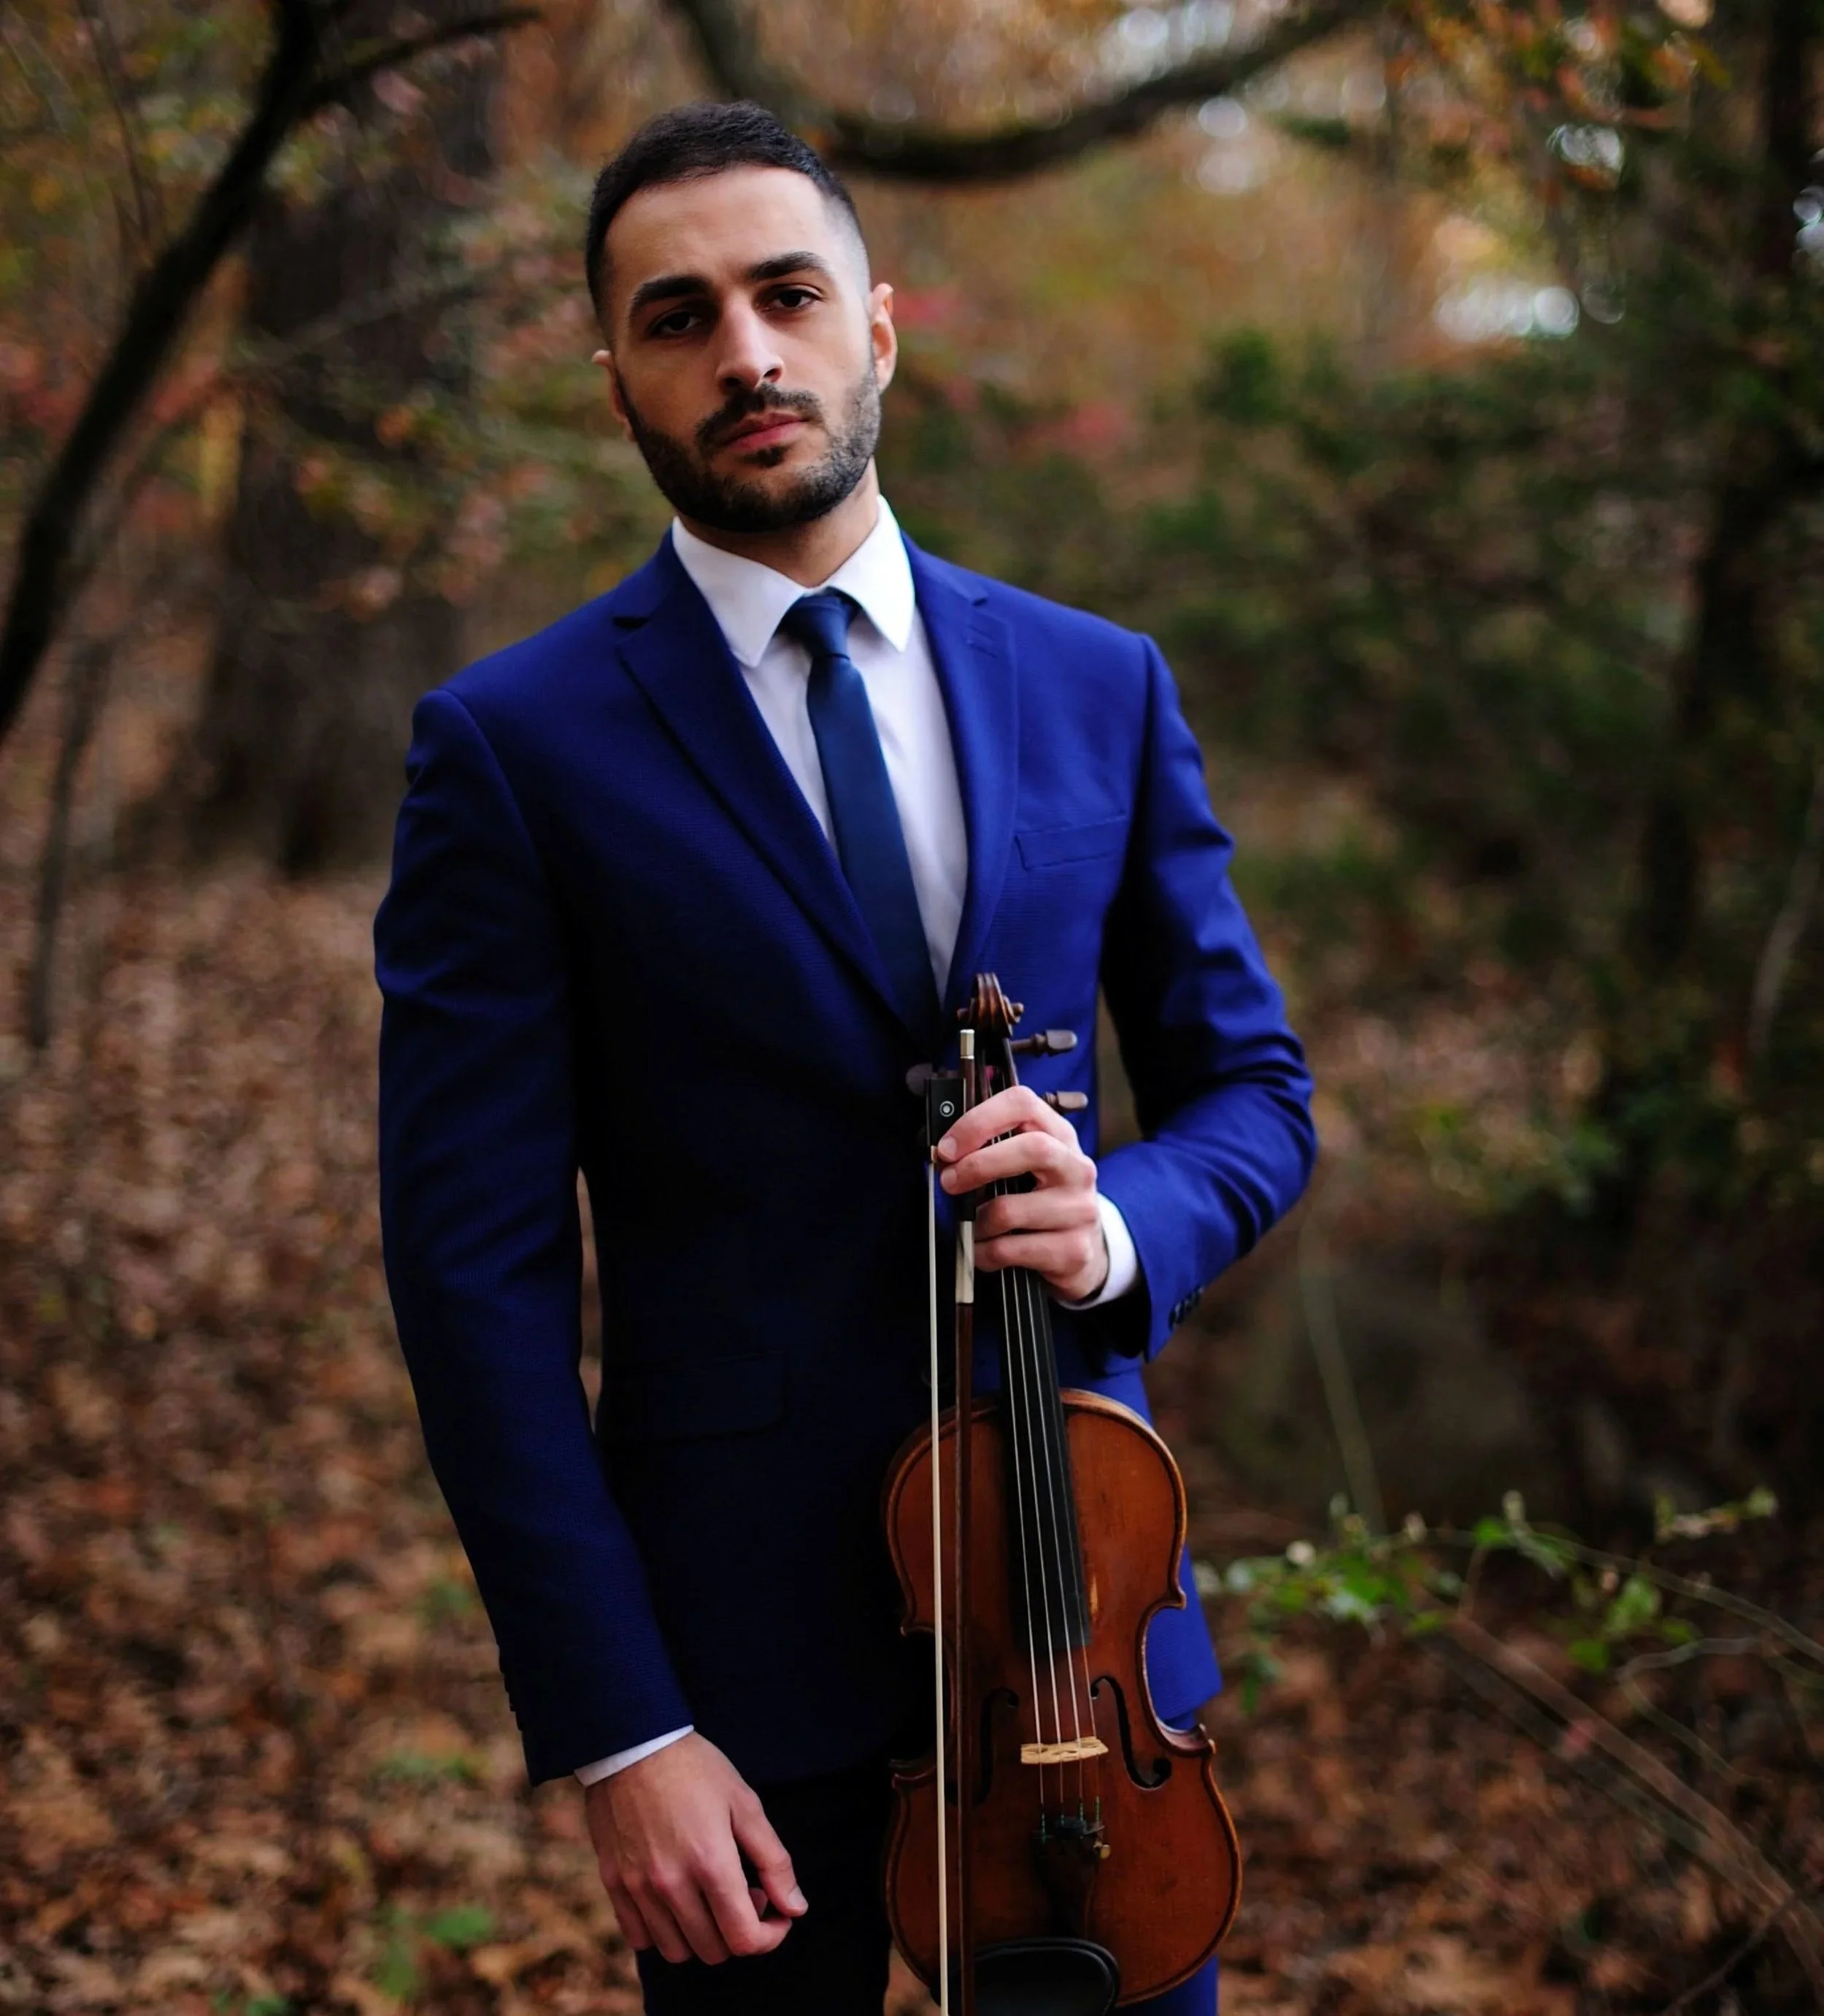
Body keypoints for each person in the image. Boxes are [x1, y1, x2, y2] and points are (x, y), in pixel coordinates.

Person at [375, 100, 1315, 2016]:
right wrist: (619, 1730)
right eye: (678, 315)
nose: (746, 353)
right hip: (736, 1680)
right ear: (618, 378)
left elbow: (1254, 1097)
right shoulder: (512, 748)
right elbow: (473, 1285)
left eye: (787, 294)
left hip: (1082, 1659)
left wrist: (1122, 1223)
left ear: (877, 324)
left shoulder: (1097, 681)